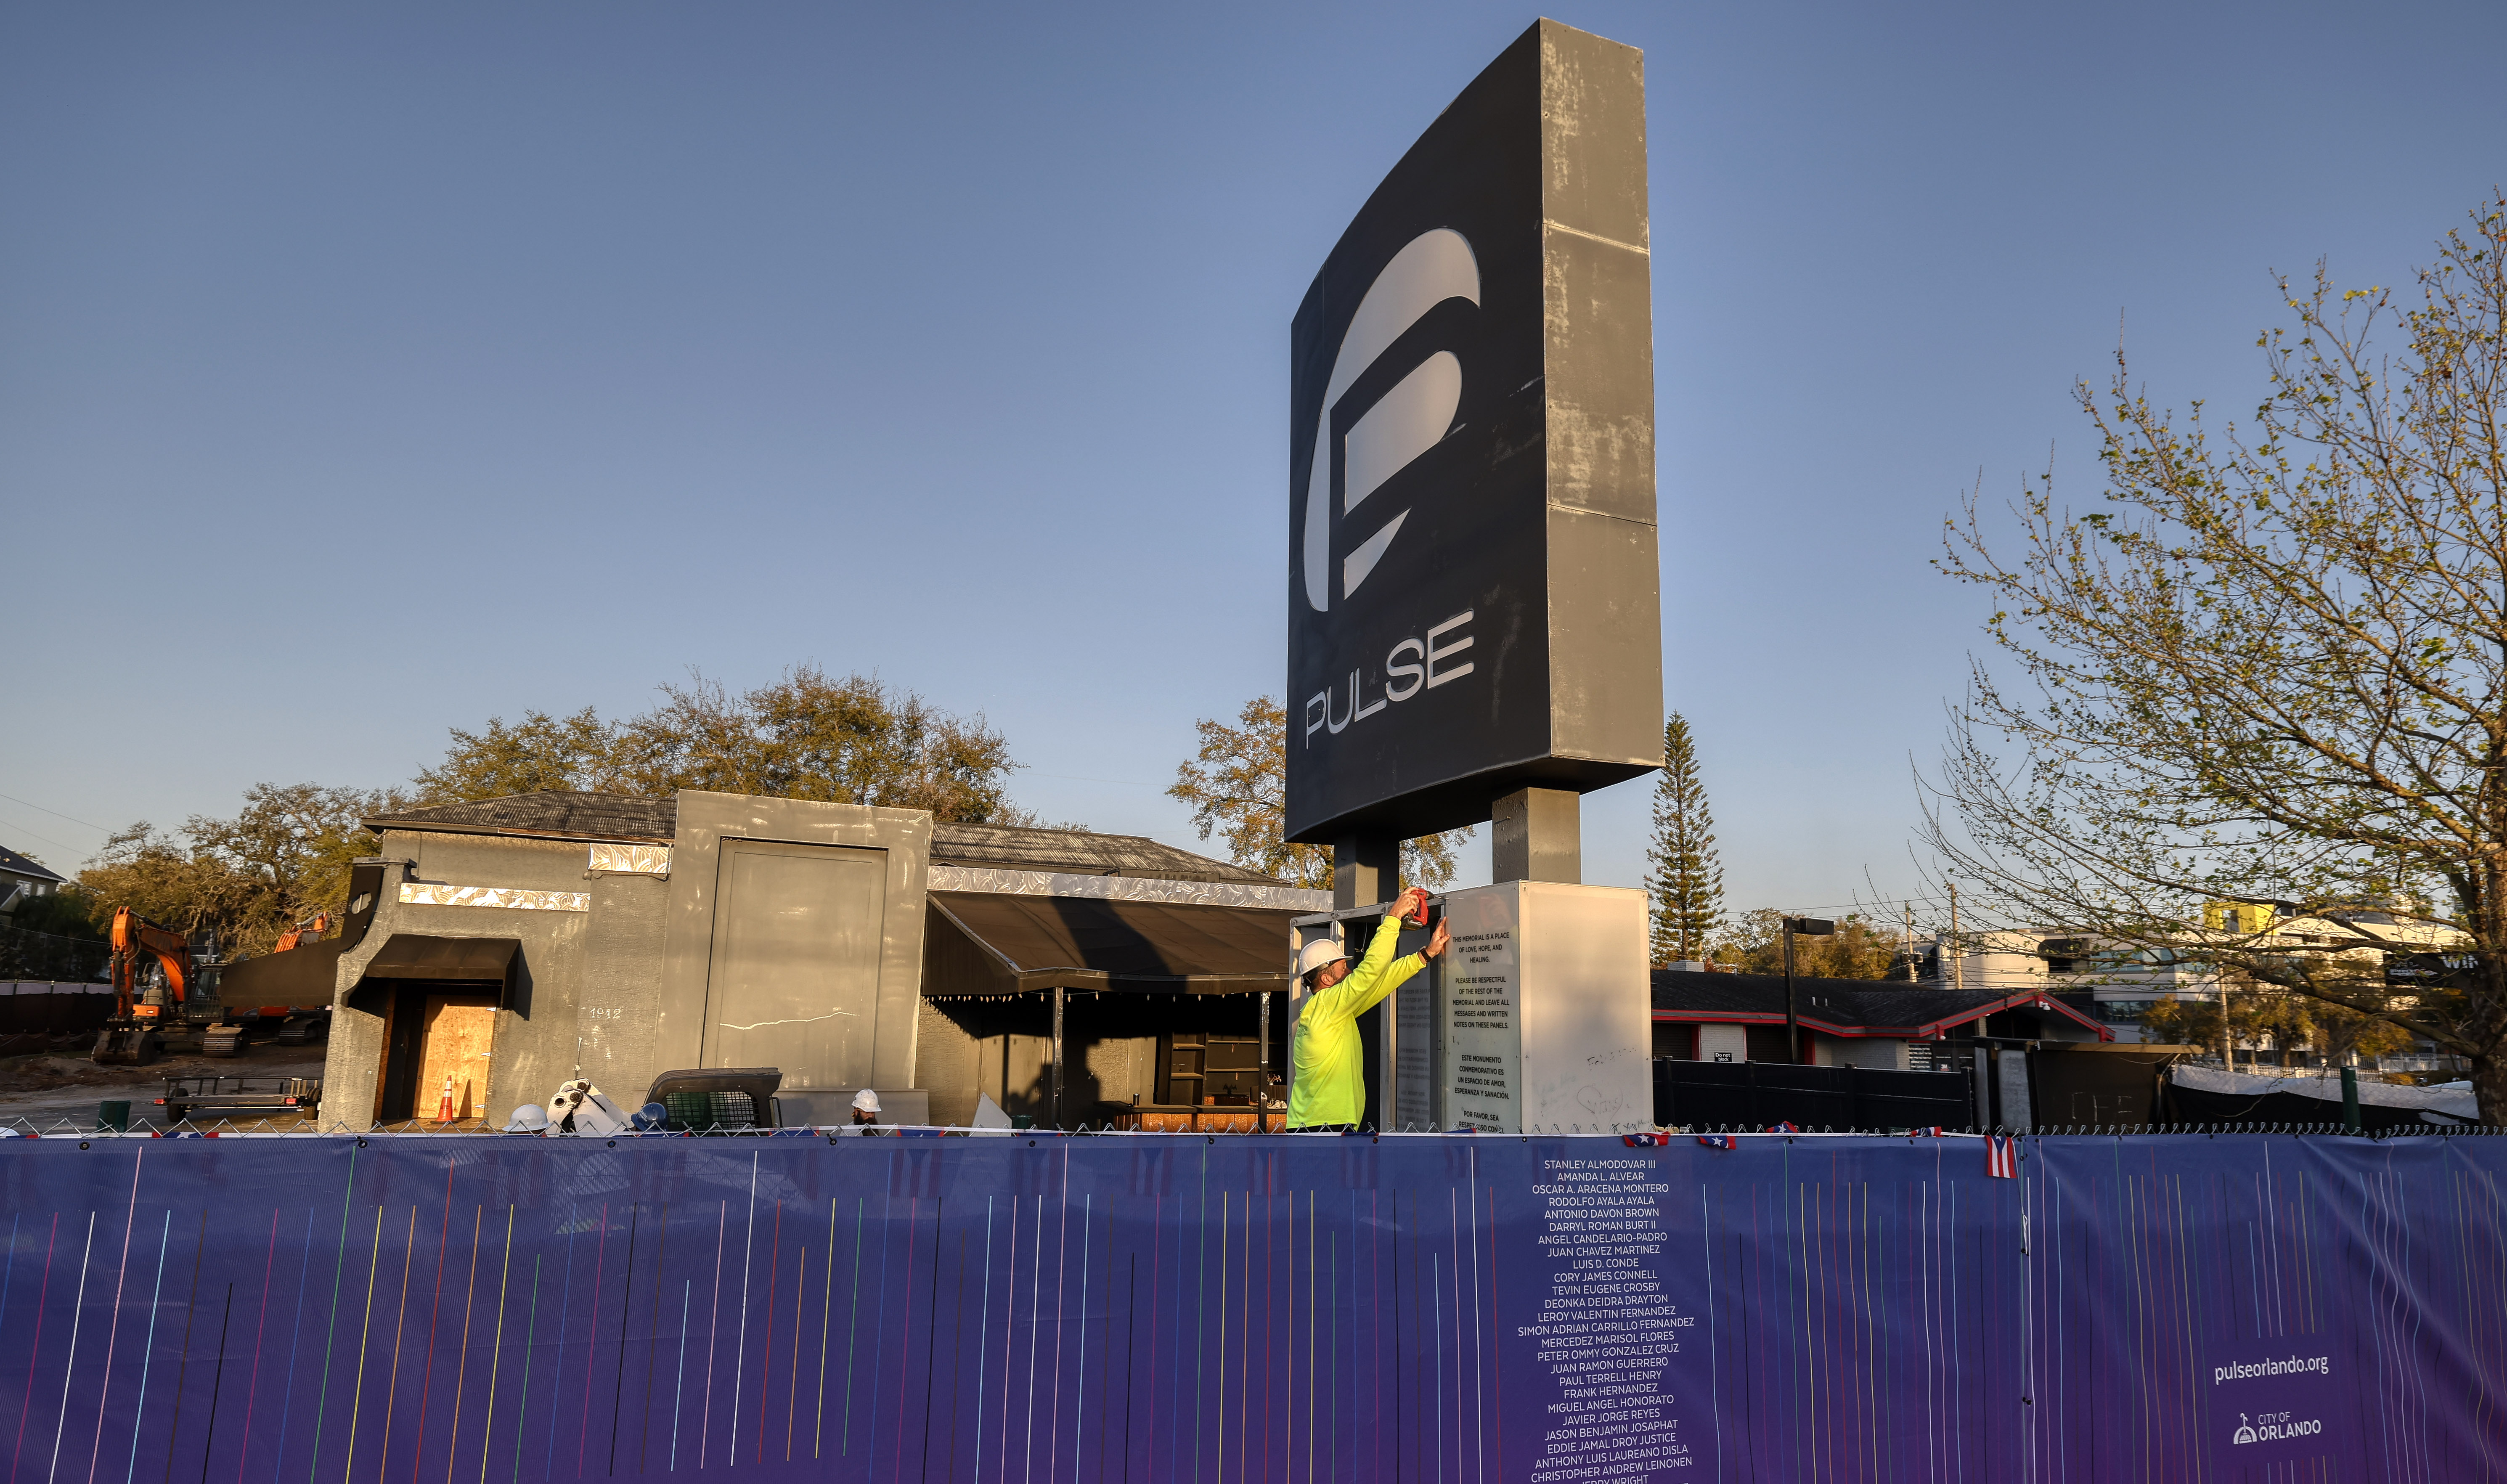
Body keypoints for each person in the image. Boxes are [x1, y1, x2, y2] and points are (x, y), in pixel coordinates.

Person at [1286, 885, 1450, 1131]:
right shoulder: (1328, 1005)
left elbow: (1379, 984)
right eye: (1344, 968)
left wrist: (1425, 955)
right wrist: (1393, 918)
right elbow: (1371, 970)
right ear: (1328, 979)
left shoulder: (1330, 1012)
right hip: (1322, 1127)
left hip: (1316, 1124)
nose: (1350, 972)